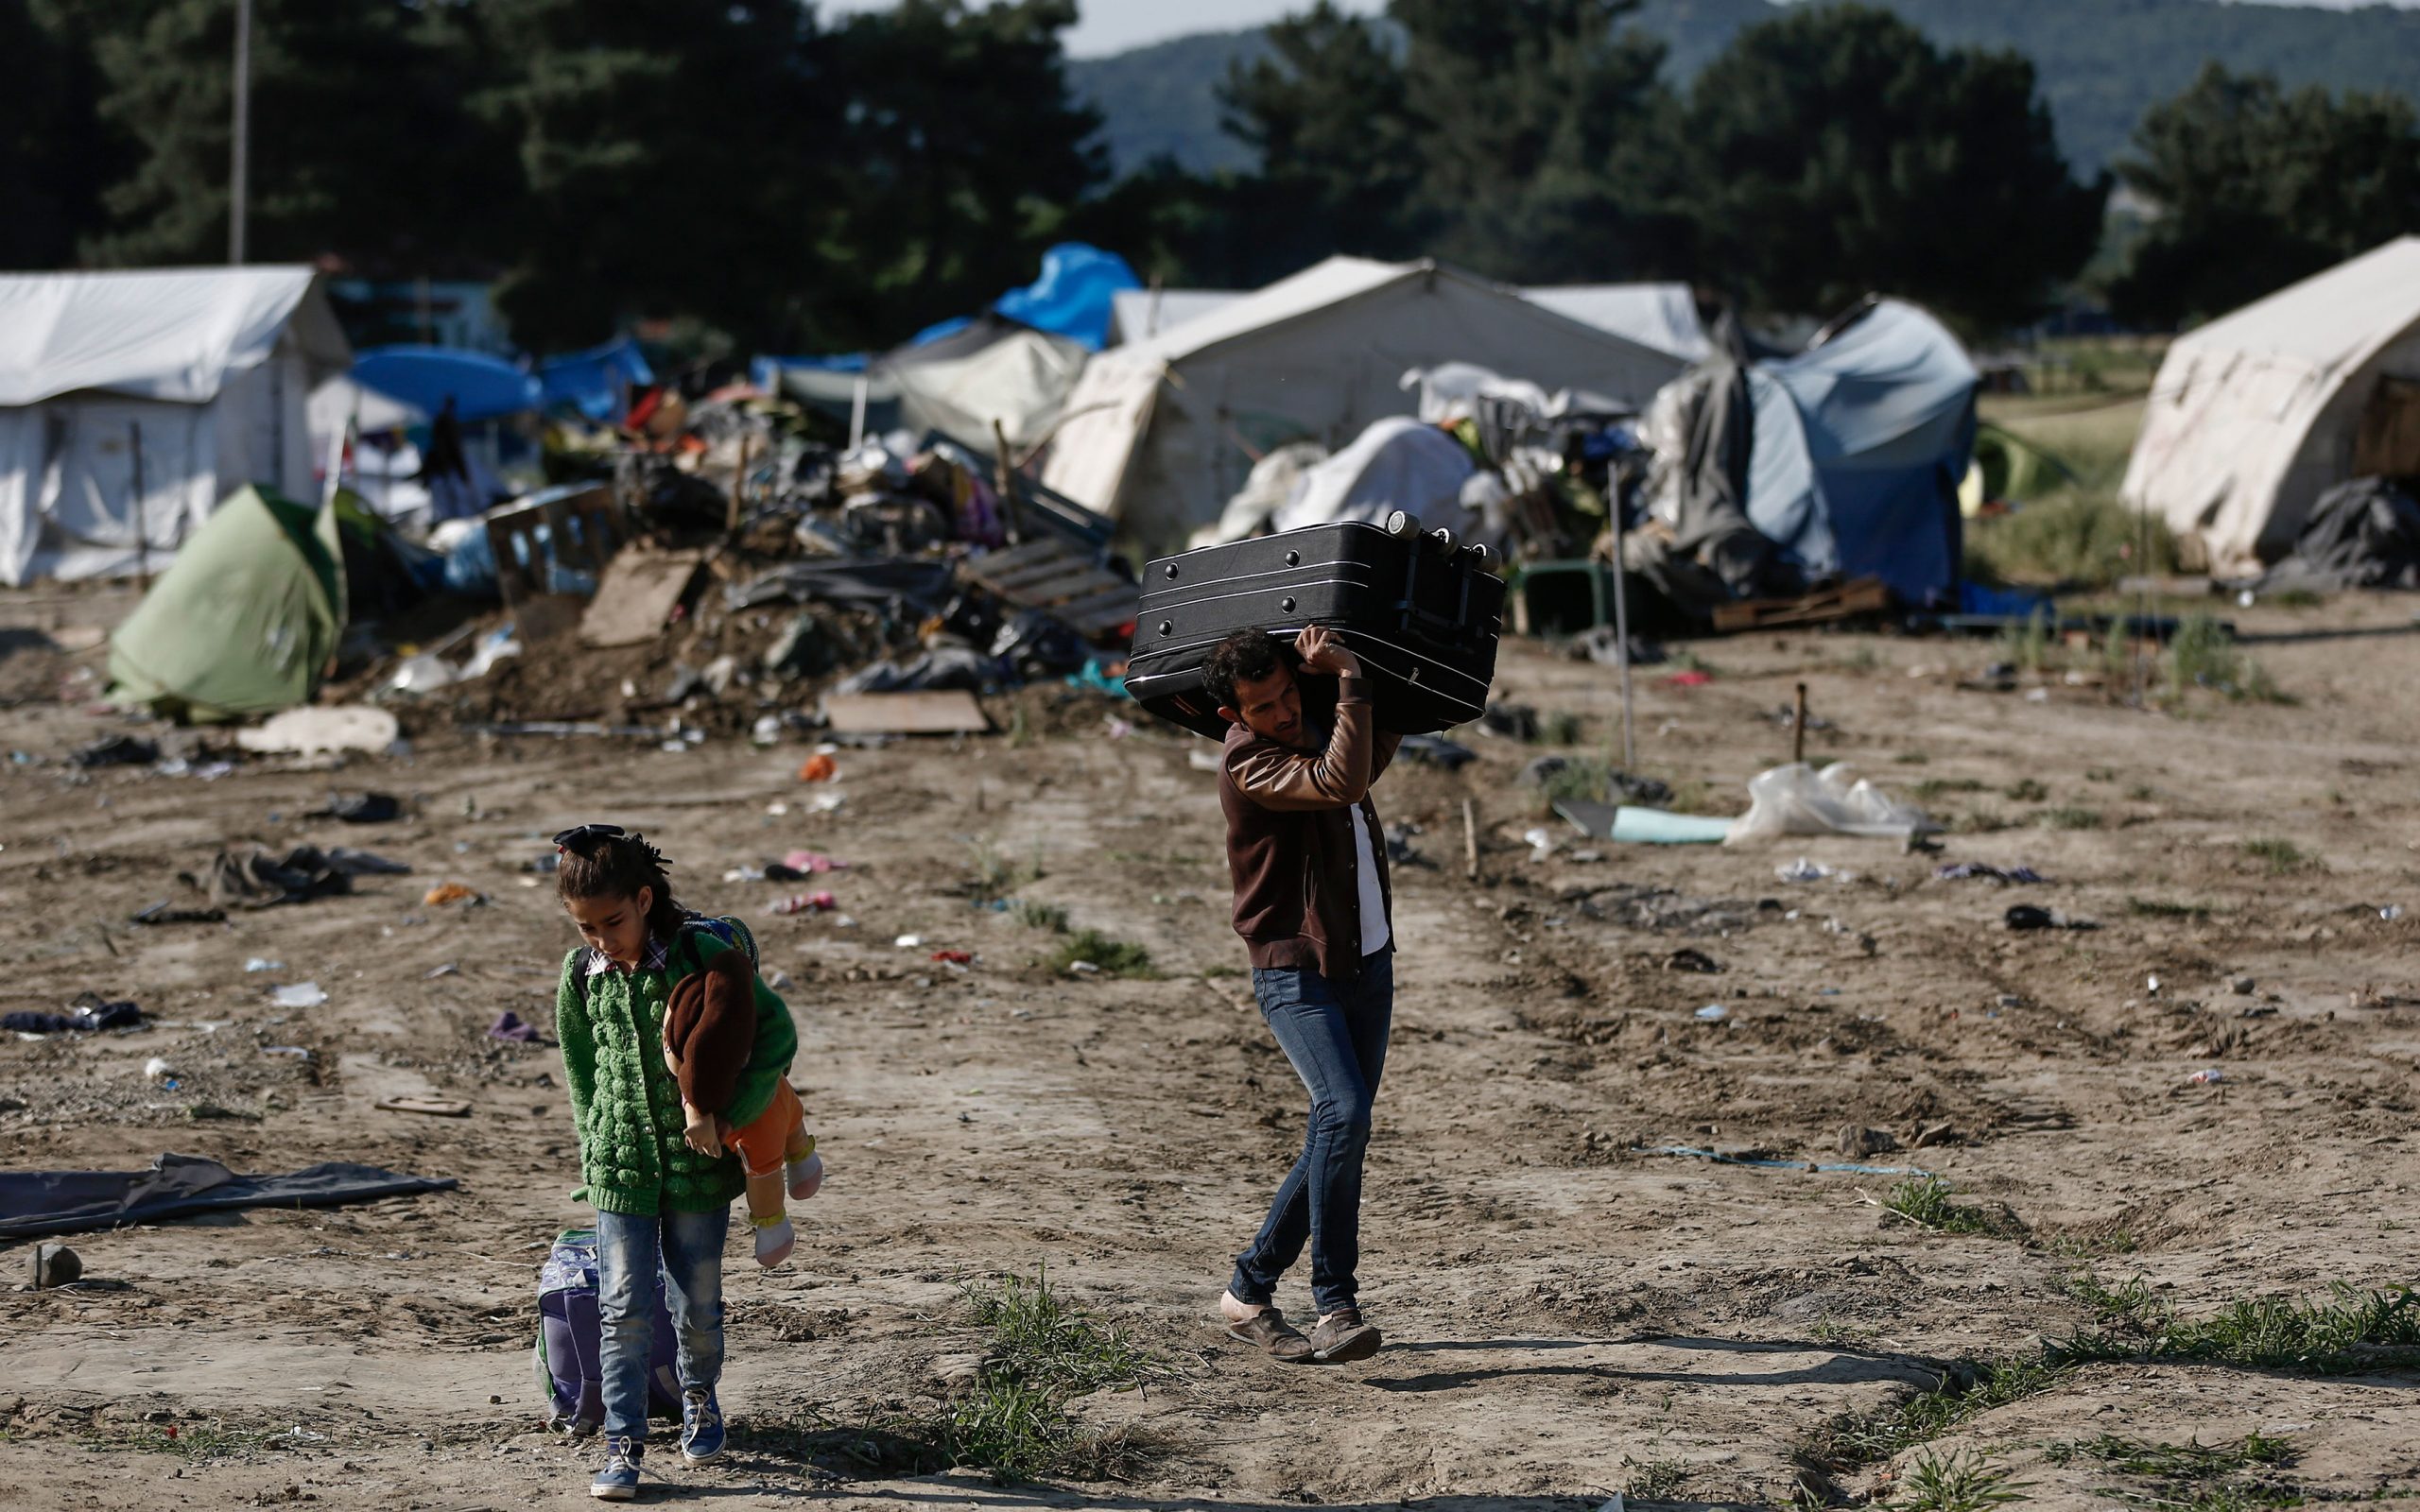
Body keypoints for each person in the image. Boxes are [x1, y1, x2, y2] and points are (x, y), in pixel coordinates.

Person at [552, 825, 803, 1500]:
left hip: (697, 1174)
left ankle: (700, 1397)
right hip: (619, 1171)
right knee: (623, 1306)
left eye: (614, 920)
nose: (602, 939)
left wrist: (730, 1118)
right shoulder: (581, 976)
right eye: (586, 928)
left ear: (642, 898)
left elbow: (775, 1037)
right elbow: (582, 1071)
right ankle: (623, 1444)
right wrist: (594, 1148)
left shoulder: (701, 955)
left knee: (697, 1305)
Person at [1202, 626, 1402, 1366]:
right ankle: (1335, 1304)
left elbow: (1371, 756)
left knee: (1337, 1130)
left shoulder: (1317, 722)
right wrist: (1349, 675)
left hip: (1367, 961)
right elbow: (1342, 782)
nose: (1285, 713)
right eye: (1265, 706)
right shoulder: (1248, 760)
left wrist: (1390, 676)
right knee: (1342, 1113)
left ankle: (1247, 1291)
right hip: (1294, 968)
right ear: (1235, 715)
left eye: (1289, 692)